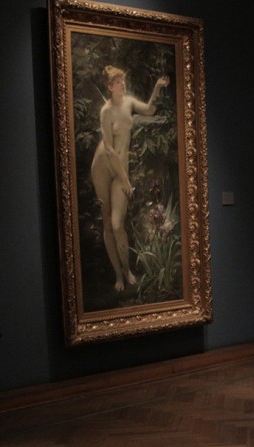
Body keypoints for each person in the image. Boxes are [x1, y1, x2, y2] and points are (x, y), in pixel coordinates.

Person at [90, 65, 170, 293]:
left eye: (123, 81)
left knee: (118, 224)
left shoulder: (129, 103)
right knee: (107, 223)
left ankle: (126, 270)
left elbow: (150, 110)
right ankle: (118, 275)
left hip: (120, 169)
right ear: (110, 87)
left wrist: (157, 87)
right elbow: (108, 149)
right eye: (118, 82)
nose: (122, 84)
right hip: (103, 167)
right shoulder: (106, 111)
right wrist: (125, 180)